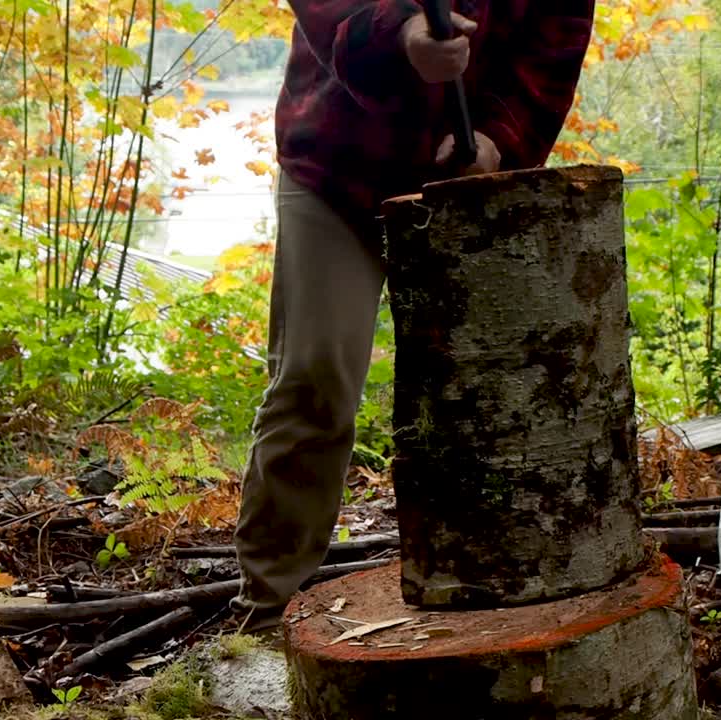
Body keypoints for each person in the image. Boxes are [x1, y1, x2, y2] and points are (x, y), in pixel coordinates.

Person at [225, 0, 596, 633]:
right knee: (314, 380)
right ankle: (267, 614)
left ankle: (487, 607)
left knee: (490, 403)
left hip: (463, 186)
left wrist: (498, 142)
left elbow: (551, 52)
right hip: (338, 167)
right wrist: (398, 34)